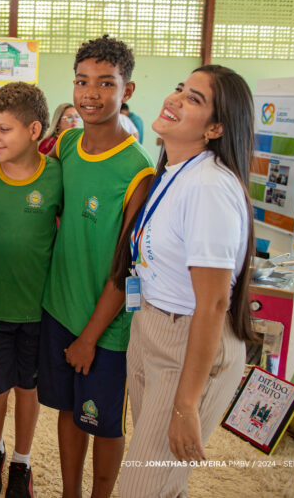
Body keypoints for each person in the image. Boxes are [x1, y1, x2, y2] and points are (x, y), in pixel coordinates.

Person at [114, 66, 255, 497]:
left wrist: (187, 403)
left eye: (194, 99)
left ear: (215, 127)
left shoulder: (209, 185)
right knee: (161, 482)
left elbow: (213, 304)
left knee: (141, 488)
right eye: (180, 88)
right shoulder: (176, 172)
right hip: (152, 326)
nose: (174, 99)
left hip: (189, 341)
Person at [39, 36, 153, 498]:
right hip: (60, 307)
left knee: (103, 422)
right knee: (69, 410)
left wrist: (90, 336)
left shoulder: (138, 169)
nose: (91, 93)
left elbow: (128, 268)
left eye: (106, 83)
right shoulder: (65, 144)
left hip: (105, 327)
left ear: (127, 91)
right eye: (83, 82)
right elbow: (23, 173)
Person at [0, 82, 62, 498]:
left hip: (39, 308)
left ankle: (22, 460)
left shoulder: (57, 173)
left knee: (28, 387)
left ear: (35, 130)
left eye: (4, 129)